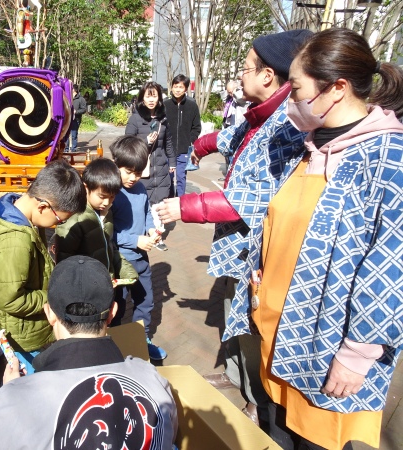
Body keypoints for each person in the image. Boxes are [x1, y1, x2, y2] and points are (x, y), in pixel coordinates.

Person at [218, 28, 403, 450]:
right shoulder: (308, 146)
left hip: (327, 355)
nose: (291, 99)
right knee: (276, 433)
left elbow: (391, 268)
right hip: (277, 337)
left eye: (297, 88)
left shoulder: (387, 159)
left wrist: (358, 354)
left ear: (336, 89)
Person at [156, 29, 313, 426]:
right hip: (240, 243)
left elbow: (255, 197)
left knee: (253, 321)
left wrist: (186, 206)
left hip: (258, 248)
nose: (239, 75)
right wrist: (202, 146)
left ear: (268, 75)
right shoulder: (263, 114)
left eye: (245, 68)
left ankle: (258, 403)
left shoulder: (287, 123)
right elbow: (230, 136)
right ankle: (240, 384)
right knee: (233, 309)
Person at [0, 255, 178, 449]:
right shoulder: (153, 379)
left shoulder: (19, 399)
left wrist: (11, 391)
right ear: (113, 312)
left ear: (49, 313)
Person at [0, 160, 86, 373]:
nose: (58, 226)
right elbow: (10, 298)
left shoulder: (25, 217)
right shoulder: (14, 241)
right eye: (59, 221)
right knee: (32, 377)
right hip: (21, 334)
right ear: (43, 206)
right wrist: (53, 297)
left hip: (25, 326)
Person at [109, 136, 166, 360]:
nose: (133, 178)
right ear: (116, 165)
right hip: (121, 261)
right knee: (118, 306)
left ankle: (142, 340)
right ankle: (115, 342)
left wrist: (151, 231)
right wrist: (135, 241)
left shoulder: (141, 188)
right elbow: (108, 232)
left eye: (138, 172)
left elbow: (146, 214)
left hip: (141, 259)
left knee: (145, 302)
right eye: (128, 171)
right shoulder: (111, 192)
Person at [53, 157, 137, 282]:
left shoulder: (106, 212)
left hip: (104, 282)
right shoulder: (74, 219)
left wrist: (127, 272)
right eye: (102, 196)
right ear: (86, 187)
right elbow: (64, 260)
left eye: (112, 197)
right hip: (86, 286)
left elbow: (108, 248)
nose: (107, 202)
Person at [125, 81, 176, 206]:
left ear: (159, 98)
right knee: (142, 204)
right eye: (148, 96)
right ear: (142, 98)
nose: (151, 100)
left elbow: (168, 142)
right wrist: (146, 141)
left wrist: (172, 162)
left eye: (154, 96)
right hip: (141, 169)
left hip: (161, 170)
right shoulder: (135, 119)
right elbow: (126, 144)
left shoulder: (163, 120)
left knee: (160, 205)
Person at [163, 74, 202, 197]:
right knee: (168, 178)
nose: (178, 89)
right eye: (175, 86)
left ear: (185, 89)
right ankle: (168, 200)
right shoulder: (165, 105)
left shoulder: (192, 106)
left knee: (181, 177)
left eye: (181, 87)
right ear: (172, 88)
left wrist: (190, 141)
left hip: (184, 150)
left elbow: (196, 127)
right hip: (167, 149)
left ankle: (180, 202)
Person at [66, 85, 87, 152]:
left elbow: (84, 109)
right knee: (66, 135)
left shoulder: (81, 99)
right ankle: (65, 149)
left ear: (74, 90)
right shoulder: (67, 97)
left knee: (74, 135)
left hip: (76, 119)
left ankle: (73, 149)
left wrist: (76, 112)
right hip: (67, 119)